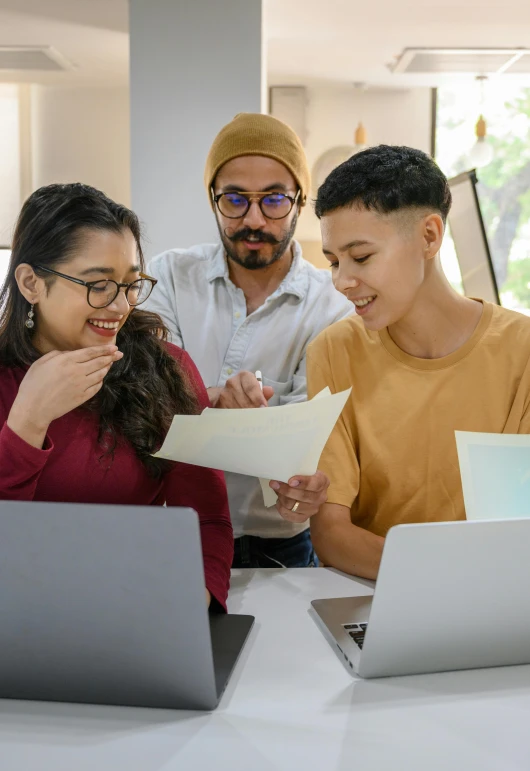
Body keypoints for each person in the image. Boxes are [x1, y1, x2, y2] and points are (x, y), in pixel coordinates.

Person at [0, 183, 233, 610]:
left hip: (135, 607)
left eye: (129, 283)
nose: (120, 305)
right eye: (99, 284)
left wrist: (186, 612)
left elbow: (207, 519)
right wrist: (28, 422)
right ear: (31, 283)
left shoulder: (168, 368)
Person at [307, 145, 530, 580]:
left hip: (497, 596)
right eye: (334, 262)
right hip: (377, 593)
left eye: (362, 256)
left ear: (429, 236)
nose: (342, 281)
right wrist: (441, 579)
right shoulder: (333, 352)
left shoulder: (521, 350)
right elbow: (332, 533)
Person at [145, 113, 353, 569]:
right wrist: (214, 399)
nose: (254, 219)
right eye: (235, 199)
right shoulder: (168, 277)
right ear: (213, 199)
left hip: (279, 541)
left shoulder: (333, 306)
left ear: (300, 201)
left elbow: (313, 439)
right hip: (171, 530)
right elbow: (148, 400)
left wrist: (305, 485)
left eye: (274, 199)